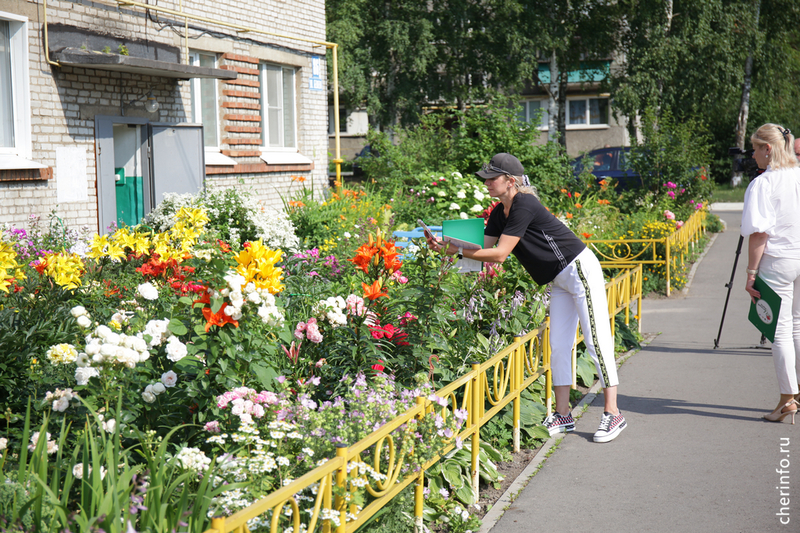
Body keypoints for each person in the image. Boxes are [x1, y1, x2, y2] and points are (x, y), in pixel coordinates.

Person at [426, 153, 626, 443]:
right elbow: (482, 246)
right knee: (558, 345)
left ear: (510, 181)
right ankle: (562, 414)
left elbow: (499, 255)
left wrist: (454, 251)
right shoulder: (499, 212)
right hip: (558, 278)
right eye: (486, 178)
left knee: (596, 339)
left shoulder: (524, 204)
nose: (487, 183)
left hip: (579, 269)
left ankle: (613, 412)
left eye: (491, 179)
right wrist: (444, 243)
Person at [742, 124, 800, 423]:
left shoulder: (764, 184)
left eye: (755, 148)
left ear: (768, 149)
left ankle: (787, 399)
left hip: (778, 261)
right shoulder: (798, 174)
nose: (753, 155)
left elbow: (758, 235)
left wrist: (751, 274)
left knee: (779, 331)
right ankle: (796, 393)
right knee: (798, 326)